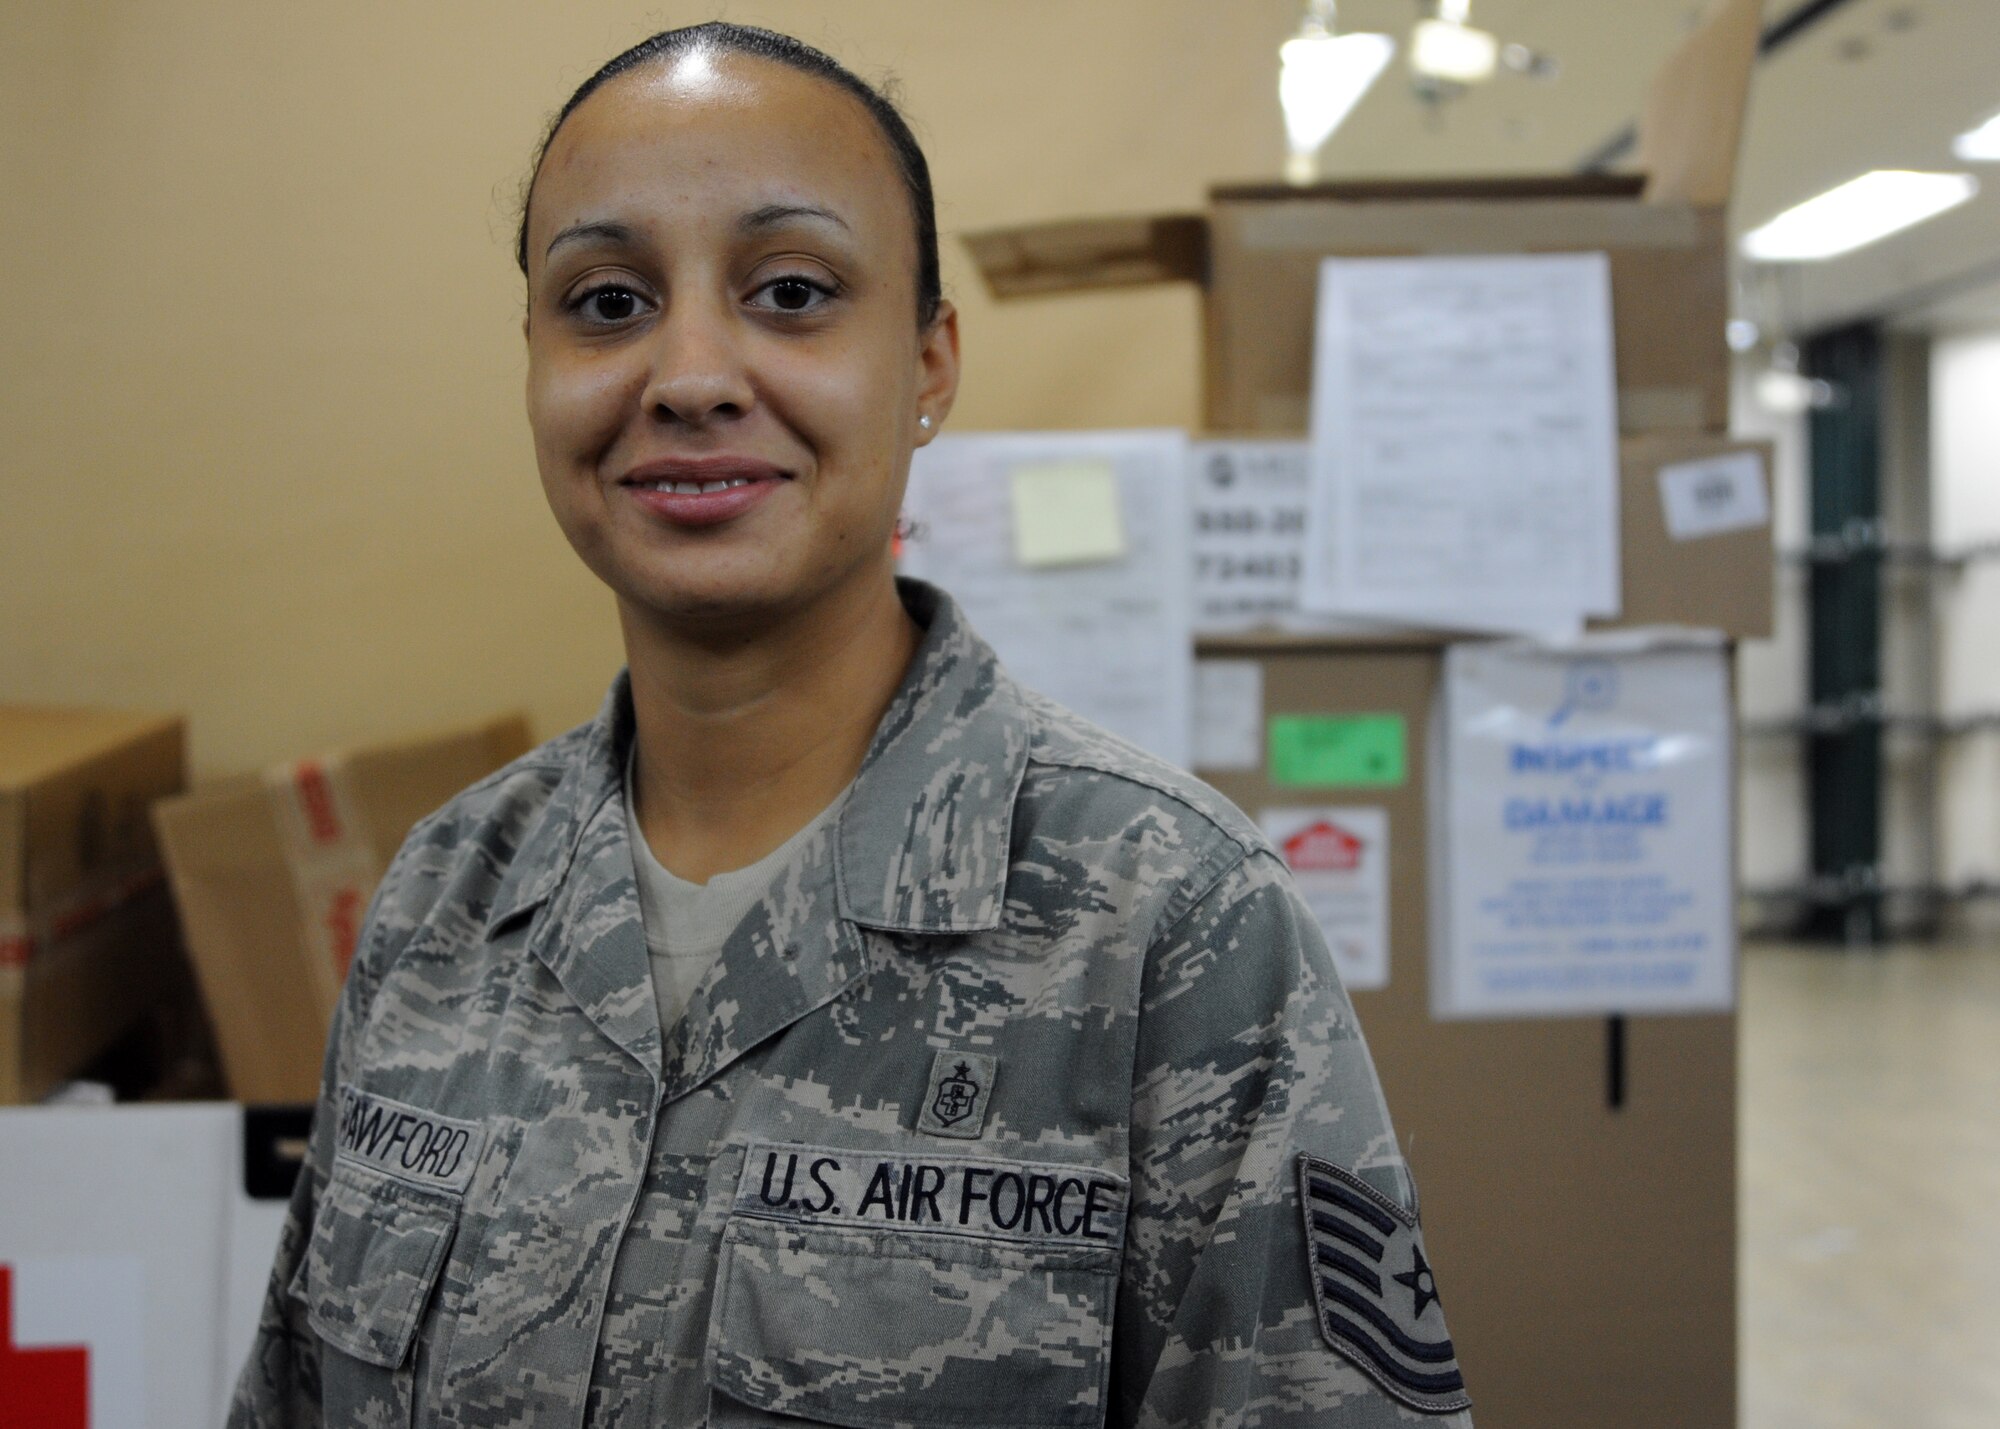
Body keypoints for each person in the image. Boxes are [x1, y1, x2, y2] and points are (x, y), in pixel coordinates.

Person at [229, 22, 1472, 1428]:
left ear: (931, 361)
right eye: (607, 301)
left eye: (795, 290)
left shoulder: (1168, 923)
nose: (689, 374)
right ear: (533, 361)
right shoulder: (444, 904)